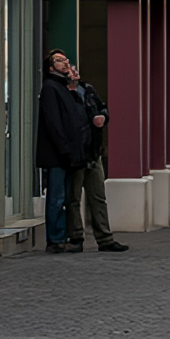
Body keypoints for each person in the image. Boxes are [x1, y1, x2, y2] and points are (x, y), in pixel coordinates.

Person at [65, 63, 129, 254]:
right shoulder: (64, 95)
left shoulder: (88, 90)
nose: (75, 72)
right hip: (76, 153)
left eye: (76, 69)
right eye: (70, 70)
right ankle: (76, 238)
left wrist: (102, 116)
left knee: (98, 196)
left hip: (93, 151)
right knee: (73, 198)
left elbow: (103, 108)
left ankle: (105, 238)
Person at [36, 51, 89, 252]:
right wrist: (64, 148)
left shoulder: (65, 87)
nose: (65, 63)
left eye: (66, 60)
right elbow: (53, 123)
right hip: (57, 154)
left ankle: (63, 235)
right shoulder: (50, 88)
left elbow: (79, 113)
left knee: (67, 197)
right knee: (56, 197)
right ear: (51, 67)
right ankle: (55, 239)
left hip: (70, 153)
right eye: (59, 60)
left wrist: (75, 86)